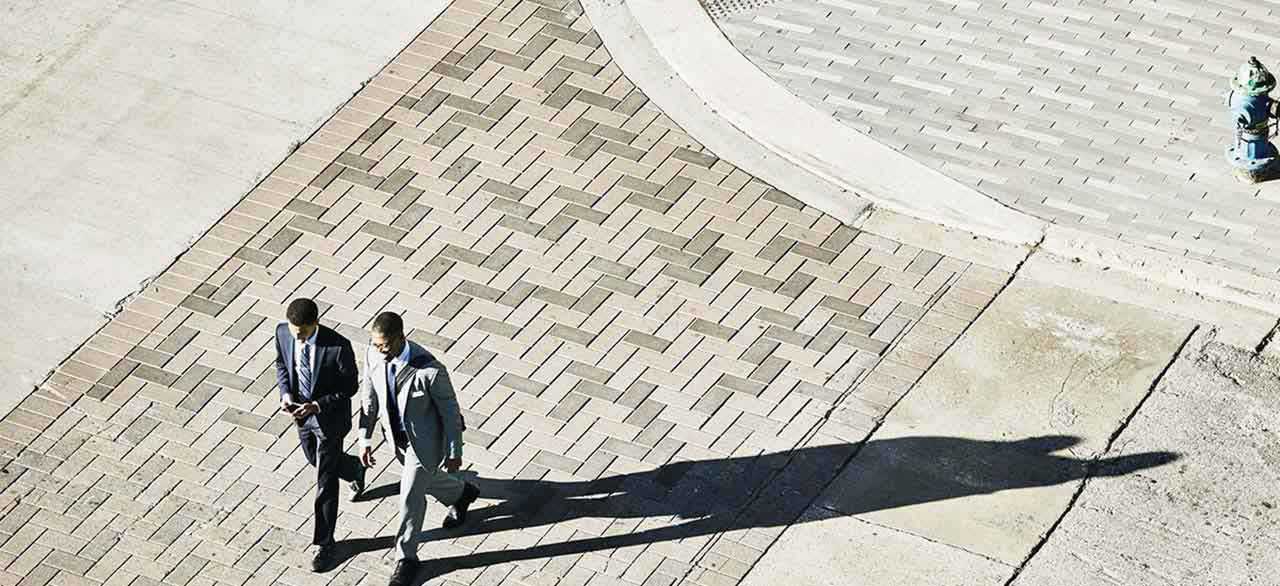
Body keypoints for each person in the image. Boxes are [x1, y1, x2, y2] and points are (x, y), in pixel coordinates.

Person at [357, 311, 479, 586]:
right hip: (396, 440)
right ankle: (461, 493)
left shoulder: (430, 370)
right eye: (375, 345)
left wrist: (454, 452)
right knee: (424, 479)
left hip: (425, 444)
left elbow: (450, 414)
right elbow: (369, 397)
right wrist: (365, 438)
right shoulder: (372, 354)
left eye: (384, 346)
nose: (379, 351)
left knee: (410, 495)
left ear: (401, 338)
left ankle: (406, 558)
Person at [274, 298, 365, 572]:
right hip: (300, 415)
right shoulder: (282, 333)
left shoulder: (338, 347)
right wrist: (286, 394)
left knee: (324, 481)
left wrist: (317, 405)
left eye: (301, 332)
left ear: (315, 323)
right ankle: (353, 469)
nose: (296, 337)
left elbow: (349, 388)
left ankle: (325, 544)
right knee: (315, 460)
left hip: (328, 420)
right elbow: (281, 365)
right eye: (293, 331)